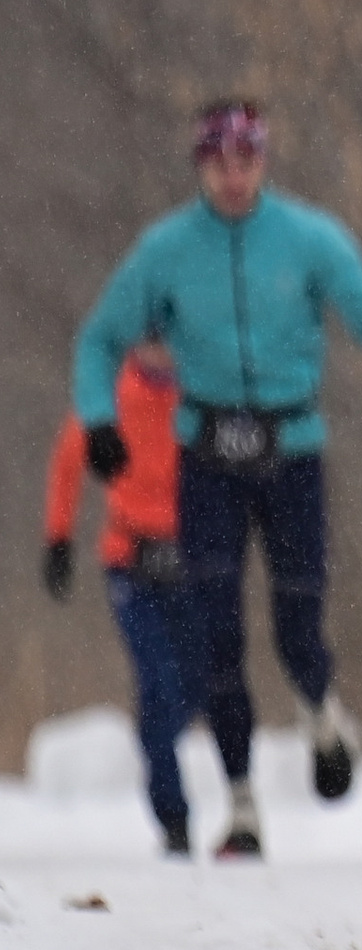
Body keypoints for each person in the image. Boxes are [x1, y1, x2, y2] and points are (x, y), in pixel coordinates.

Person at [73, 103, 362, 860]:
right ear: (200, 165)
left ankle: (322, 712)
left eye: (247, 159)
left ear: (264, 160)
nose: (234, 177)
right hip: (209, 457)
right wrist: (99, 420)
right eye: (219, 162)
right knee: (217, 633)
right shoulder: (166, 252)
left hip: (291, 449)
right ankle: (240, 803)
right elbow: (100, 340)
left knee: (298, 622)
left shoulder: (308, 239)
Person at [43, 336, 196, 855]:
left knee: (194, 681)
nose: (163, 353)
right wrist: (58, 538)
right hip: (130, 559)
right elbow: (68, 462)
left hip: (191, 559)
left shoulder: (201, 392)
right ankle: (172, 814)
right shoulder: (108, 397)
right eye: (153, 342)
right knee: (156, 679)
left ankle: (160, 746)